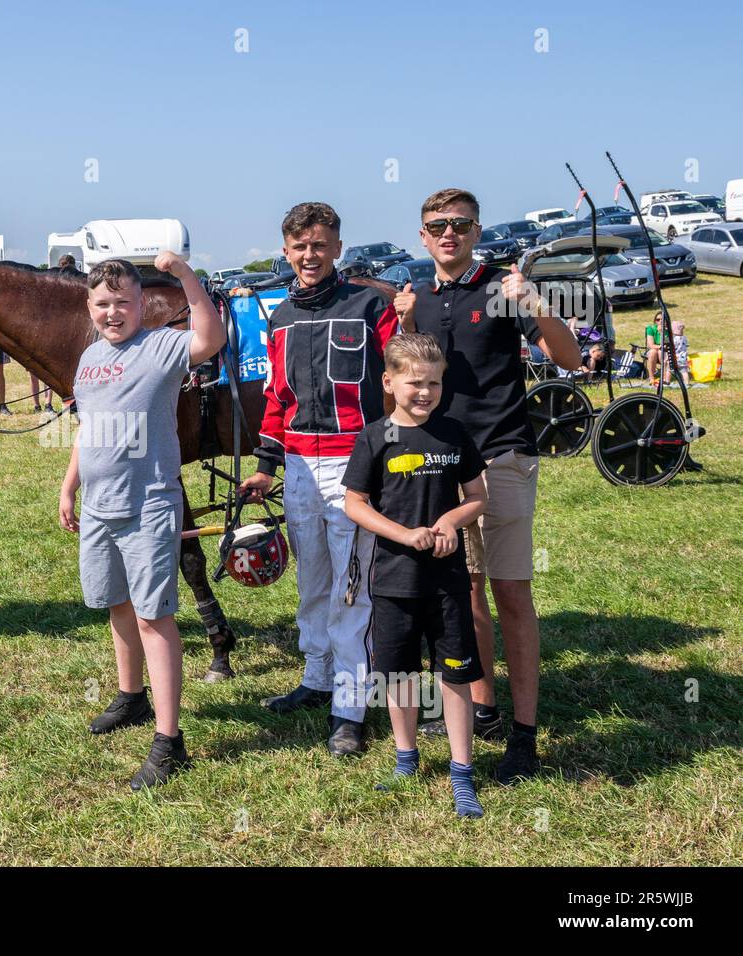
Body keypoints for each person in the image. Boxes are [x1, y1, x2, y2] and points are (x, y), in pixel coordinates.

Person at [392, 187, 580, 783]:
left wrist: (538, 303)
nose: (448, 233)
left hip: (502, 459)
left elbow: (570, 360)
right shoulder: (418, 295)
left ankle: (524, 736)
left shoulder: (504, 289)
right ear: (423, 236)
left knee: (512, 597)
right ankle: (484, 707)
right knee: (465, 593)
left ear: (477, 231)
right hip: (444, 467)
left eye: (460, 224)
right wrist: (402, 324)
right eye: (437, 225)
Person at [238, 202, 401, 757]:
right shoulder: (279, 317)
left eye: (320, 244)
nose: (310, 255)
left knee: (352, 587)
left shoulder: (370, 305)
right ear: (286, 251)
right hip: (302, 470)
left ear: (337, 247)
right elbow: (277, 401)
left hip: (357, 464)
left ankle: (351, 707)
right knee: (312, 578)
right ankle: (317, 676)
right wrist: (265, 466)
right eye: (299, 246)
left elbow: (400, 383)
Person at [59, 253, 225, 790]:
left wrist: (184, 275)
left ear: (140, 304)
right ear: (90, 307)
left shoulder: (160, 346)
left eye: (123, 303)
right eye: (103, 304)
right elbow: (89, 432)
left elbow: (210, 338)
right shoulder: (87, 360)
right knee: (118, 605)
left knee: (154, 616)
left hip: (149, 503)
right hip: (99, 505)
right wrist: (70, 486)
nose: (113, 313)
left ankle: (169, 740)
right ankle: (131, 697)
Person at [343, 333, 488, 817]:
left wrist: (451, 521)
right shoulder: (374, 437)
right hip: (394, 581)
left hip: (447, 582)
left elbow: (477, 497)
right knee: (401, 675)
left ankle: (462, 771)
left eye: (434, 383)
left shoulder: (454, 435)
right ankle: (407, 758)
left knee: (454, 675)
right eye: (413, 383)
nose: (424, 392)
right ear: (389, 382)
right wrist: (404, 535)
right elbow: (355, 503)